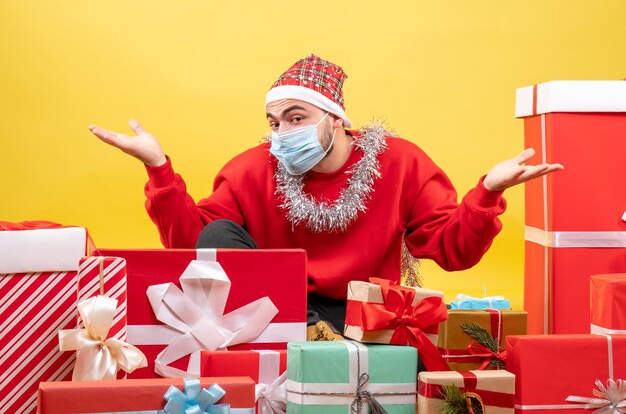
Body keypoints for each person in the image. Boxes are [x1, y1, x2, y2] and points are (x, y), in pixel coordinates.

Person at [88, 54, 563, 340]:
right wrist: (158, 168)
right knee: (218, 229)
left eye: (297, 118)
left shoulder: (399, 163)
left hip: (365, 309)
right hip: (273, 307)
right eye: (275, 123)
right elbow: (196, 247)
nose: (282, 133)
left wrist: (487, 193)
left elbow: (452, 251)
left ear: (336, 118)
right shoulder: (252, 169)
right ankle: (304, 335)